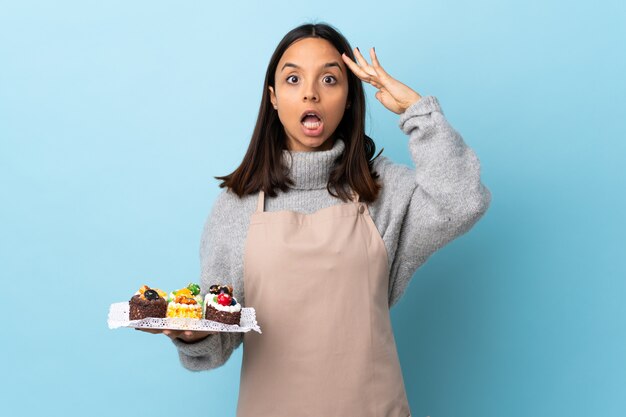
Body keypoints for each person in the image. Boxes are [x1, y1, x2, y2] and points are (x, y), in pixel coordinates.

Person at [141, 22, 491, 417]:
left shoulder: (385, 193)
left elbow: (463, 200)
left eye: (329, 78)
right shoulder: (236, 205)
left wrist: (417, 112)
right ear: (273, 98)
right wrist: (195, 333)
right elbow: (216, 341)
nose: (311, 92)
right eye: (293, 79)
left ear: (349, 98)